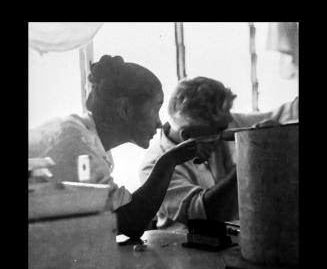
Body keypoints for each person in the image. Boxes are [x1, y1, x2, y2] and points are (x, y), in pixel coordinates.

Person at [29, 56, 214, 239]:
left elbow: (118, 213)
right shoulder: (76, 143)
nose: (159, 123)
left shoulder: (90, 143)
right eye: (155, 109)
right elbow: (130, 222)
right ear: (125, 108)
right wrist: (169, 161)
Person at [139, 76, 299, 230]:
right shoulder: (153, 168)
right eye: (221, 129)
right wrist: (250, 157)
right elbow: (205, 214)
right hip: (180, 250)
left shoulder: (220, 122)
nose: (228, 130)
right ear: (188, 136)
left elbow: (284, 114)